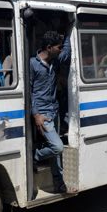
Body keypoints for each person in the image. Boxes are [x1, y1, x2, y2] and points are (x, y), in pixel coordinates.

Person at [30, 30, 72, 194]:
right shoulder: (32, 64)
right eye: (58, 47)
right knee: (57, 147)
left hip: (54, 111)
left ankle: (59, 184)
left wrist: (68, 32)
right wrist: (36, 115)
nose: (60, 50)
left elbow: (67, 54)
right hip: (42, 114)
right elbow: (29, 92)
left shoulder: (55, 61)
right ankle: (33, 155)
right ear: (49, 47)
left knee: (56, 156)